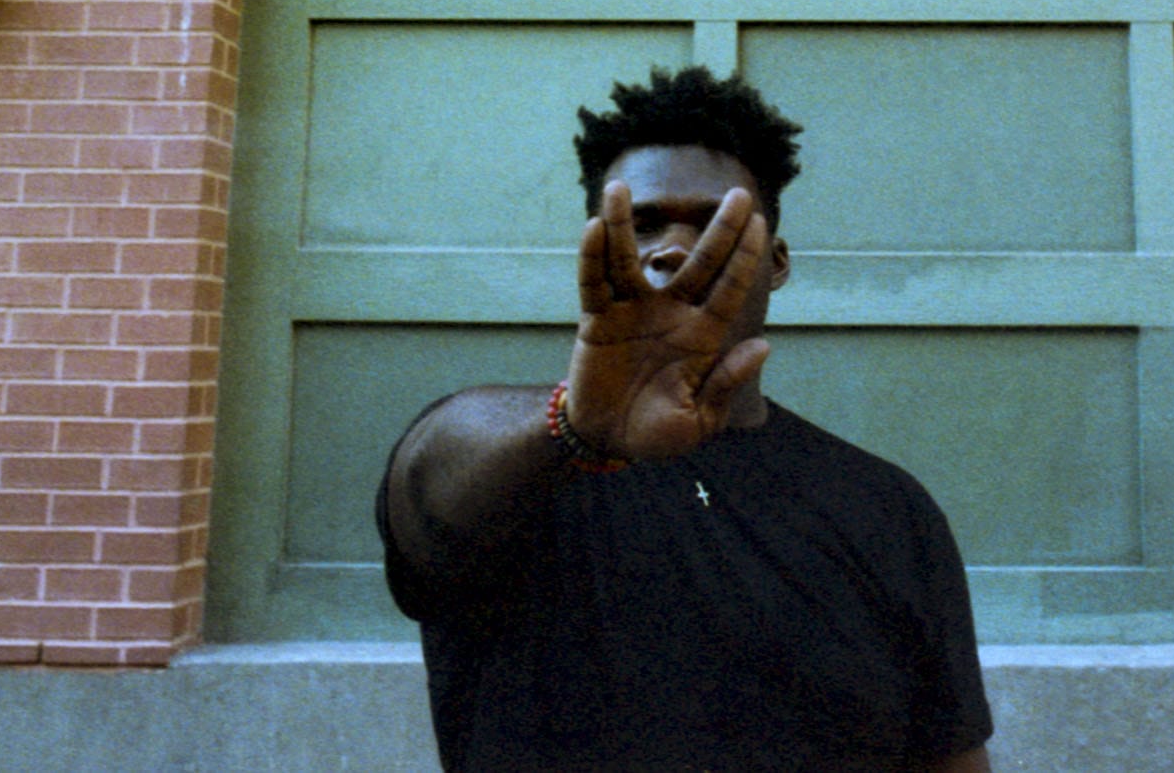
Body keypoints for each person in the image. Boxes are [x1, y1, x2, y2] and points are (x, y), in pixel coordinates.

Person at [377, 65, 994, 773]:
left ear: (776, 262)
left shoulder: (887, 511)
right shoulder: (515, 477)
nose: (674, 247)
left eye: (711, 223)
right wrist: (575, 425)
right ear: (595, 251)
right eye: (641, 224)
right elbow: (426, 485)